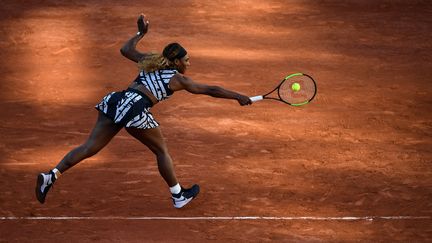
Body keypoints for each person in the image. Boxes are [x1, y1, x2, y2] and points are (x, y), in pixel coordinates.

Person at [35, 14, 252, 209]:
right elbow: (211, 90)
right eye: (186, 60)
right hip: (136, 108)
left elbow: (125, 50)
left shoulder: (152, 62)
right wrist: (239, 96)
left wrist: (140, 33)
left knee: (89, 146)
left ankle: (51, 175)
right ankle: (178, 195)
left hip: (116, 100)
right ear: (176, 62)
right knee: (161, 151)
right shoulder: (178, 79)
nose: (189, 62)